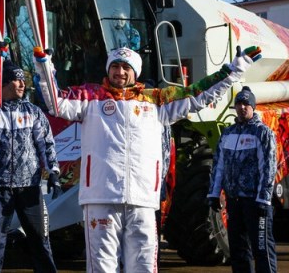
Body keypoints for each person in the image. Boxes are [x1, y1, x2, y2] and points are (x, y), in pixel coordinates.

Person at [34, 45, 262, 272]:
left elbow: (198, 94)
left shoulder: (156, 101)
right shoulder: (90, 98)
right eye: (115, 66)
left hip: (142, 199)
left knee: (142, 265)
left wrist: (234, 70)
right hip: (100, 198)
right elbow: (56, 102)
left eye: (126, 67)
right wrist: (45, 67)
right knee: (102, 266)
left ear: (135, 72)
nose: (120, 72)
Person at [0, 61, 61, 272]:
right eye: (16, 79)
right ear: (4, 82)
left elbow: (46, 144)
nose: (22, 84)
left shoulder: (33, 111)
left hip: (29, 188)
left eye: (22, 79)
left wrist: (53, 172)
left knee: (40, 241)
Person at [207, 86, 278, 273]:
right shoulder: (228, 133)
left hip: (256, 202)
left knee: (261, 249)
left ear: (253, 107)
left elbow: (268, 167)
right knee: (238, 250)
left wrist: (264, 198)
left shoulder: (263, 133)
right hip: (234, 201)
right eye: (239, 103)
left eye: (246, 103)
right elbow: (219, 165)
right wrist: (214, 194)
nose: (242, 107)